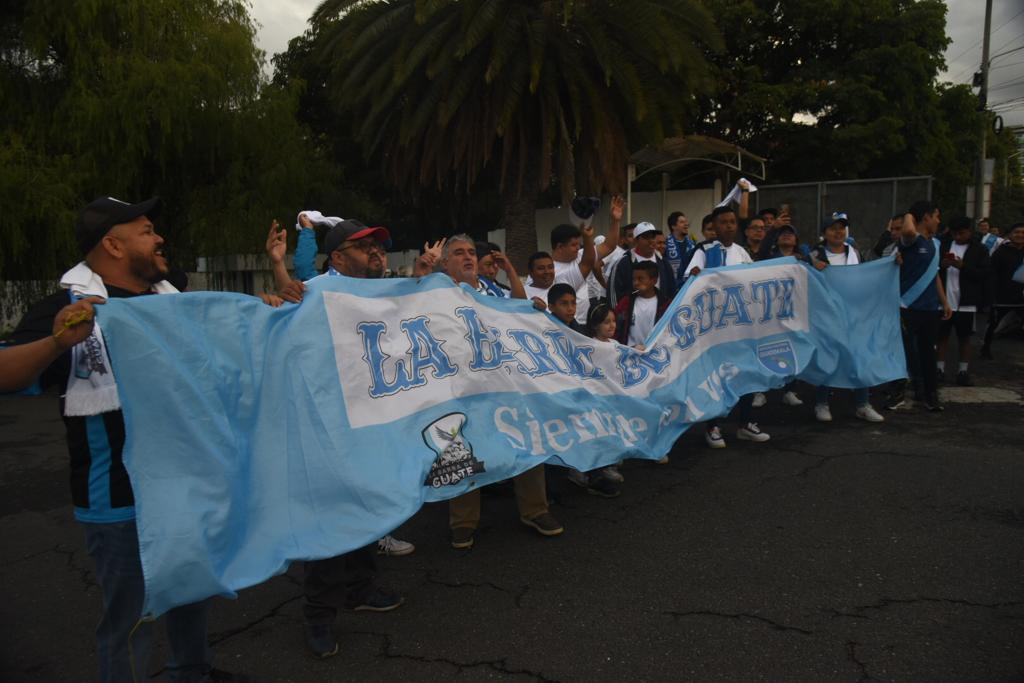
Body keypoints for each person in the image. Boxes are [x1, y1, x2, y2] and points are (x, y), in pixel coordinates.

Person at [2, 197, 248, 683]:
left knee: (188, 588)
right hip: (117, 493)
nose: (160, 240)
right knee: (131, 616)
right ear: (113, 244)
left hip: (187, 480)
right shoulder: (66, 307)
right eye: (147, 230)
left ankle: (190, 672)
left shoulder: (171, 294)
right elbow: (6, 373)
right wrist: (57, 342)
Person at [273, 219, 411, 658]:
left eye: (378, 245)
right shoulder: (311, 293)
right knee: (329, 521)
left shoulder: (384, 291)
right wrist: (279, 282)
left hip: (372, 422)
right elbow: (276, 333)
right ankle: (320, 614)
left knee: (368, 507)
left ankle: (360, 587)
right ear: (336, 257)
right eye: (363, 245)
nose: (376, 251)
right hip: (325, 431)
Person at [440, 235, 563, 547]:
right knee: (461, 449)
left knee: (526, 436)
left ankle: (535, 509)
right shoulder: (437, 294)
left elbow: (516, 312)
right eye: (458, 253)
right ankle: (463, 521)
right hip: (461, 386)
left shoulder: (492, 290)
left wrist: (530, 310)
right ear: (445, 263)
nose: (468, 257)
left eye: (471, 252)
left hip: (505, 382)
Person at [686, 206, 771, 447]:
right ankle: (713, 427)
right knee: (717, 377)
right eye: (723, 222)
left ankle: (745, 424)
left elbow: (754, 283)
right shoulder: (703, 250)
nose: (729, 226)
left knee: (745, 373)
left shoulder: (742, 252)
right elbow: (689, 282)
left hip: (740, 326)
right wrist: (695, 275)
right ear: (714, 226)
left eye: (733, 222)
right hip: (713, 328)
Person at [809, 215, 885, 423]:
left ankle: (862, 404)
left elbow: (869, 275)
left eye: (841, 228)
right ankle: (821, 403)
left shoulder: (856, 253)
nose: (838, 232)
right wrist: (812, 268)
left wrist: (892, 263)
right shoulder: (815, 255)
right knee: (828, 359)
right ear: (824, 233)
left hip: (854, 314)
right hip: (827, 316)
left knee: (860, 357)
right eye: (832, 228)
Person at [548, 285, 621, 496]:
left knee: (589, 428)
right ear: (552, 306)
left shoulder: (579, 330)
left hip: (580, 389)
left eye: (573, 303)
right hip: (557, 390)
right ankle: (562, 481)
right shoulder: (544, 325)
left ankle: (592, 472)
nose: (570, 308)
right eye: (564, 304)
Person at [887, 201, 953, 412]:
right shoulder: (911, 240)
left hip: (930, 308)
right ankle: (901, 393)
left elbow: (934, 276)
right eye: (936, 216)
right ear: (926, 218)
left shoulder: (936, 244)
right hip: (906, 306)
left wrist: (944, 301)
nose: (938, 220)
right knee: (905, 353)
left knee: (928, 353)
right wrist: (910, 213)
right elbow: (907, 229)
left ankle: (930, 396)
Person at [549, 196, 623, 325]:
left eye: (579, 244)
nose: (578, 248)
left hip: (586, 324)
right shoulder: (549, 271)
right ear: (560, 247)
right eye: (573, 245)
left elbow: (609, 245)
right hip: (563, 325)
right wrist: (588, 237)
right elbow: (588, 263)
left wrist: (615, 220)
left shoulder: (581, 254)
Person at [936, 217, 991, 385]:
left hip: (966, 301)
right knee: (941, 337)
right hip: (944, 299)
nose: (958, 237)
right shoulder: (943, 245)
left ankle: (963, 371)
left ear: (970, 231)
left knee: (965, 338)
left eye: (962, 233)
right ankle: (939, 369)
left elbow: (983, 274)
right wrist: (943, 265)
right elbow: (934, 268)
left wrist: (963, 267)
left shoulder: (979, 249)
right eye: (954, 234)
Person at [607, 222, 677, 311]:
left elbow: (672, 291)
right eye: (646, 237)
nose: (651, 240)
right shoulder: (623, 263)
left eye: (653, 236)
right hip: (631, 318)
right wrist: (620, 316)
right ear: (636, 240)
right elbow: (614, 294)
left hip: (659, 317)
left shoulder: (663, 263)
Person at [980, 222, 1024, 358]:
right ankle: (985, 347)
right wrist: (990, 295)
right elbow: (991, 275)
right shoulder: (1000, 252)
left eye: (1023, 233)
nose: (1020, 235)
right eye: (1017, 232)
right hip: (1002, 296)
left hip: (1022, 297)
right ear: (1009, 234)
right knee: (994, 324)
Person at [613, 261, 668, 347]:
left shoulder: (666, 305)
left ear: (654, 280)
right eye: (634, 279)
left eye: (640, 279)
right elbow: (615, 329)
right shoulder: (625, 303)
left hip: (655, 355)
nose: (636, 283)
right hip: (630, 353)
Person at [664, 211, 695, 282]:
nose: (686, 224)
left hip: (689, 284)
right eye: (682, 222)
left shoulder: (692, 244)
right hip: (671, 286)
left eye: (686, 222)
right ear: (673, 226)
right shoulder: (665, 244)